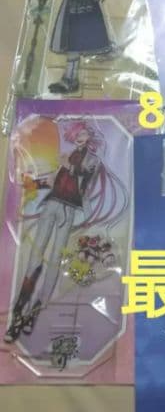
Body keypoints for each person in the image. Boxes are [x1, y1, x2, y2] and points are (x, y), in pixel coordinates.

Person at [4, 120, 126, 343]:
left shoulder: (93, 160)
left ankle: (34, 311)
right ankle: (18, 313)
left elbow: (83, 183)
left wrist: (68, 165)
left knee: (53, 261)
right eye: (77, 134)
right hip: (51, 205)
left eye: (83, 134)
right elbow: (54, 181)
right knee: (35, 258)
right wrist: (33, 184)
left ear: (89, 138)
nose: (80, 137)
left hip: (68, 210)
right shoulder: (66, 156)